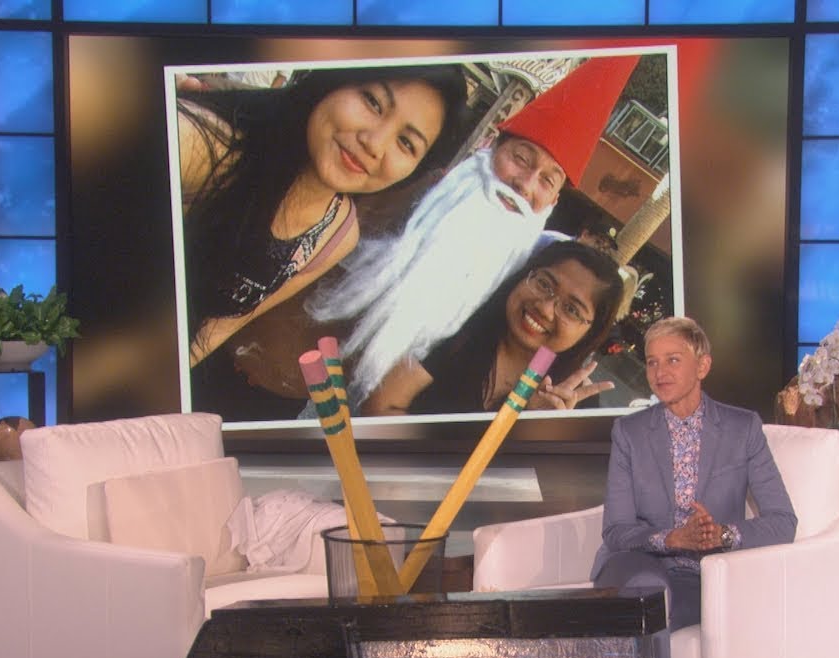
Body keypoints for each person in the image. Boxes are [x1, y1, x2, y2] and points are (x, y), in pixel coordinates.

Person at [309, 55, 640, 405]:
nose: (524, 186)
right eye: (520, 159)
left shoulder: (526, 279)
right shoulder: (397, 185)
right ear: (488, 146)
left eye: (546, 181)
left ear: (553, 201)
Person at [178, 64, 468, 370]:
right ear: (333, 80)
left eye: (406, 143)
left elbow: (216, 329)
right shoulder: (203, 147)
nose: (374, 143)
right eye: (373, 102)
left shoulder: (336, 232)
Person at [591, 316, 796, 658]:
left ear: (702, 366)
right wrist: (671, 539)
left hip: (701, 575)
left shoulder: (742, 428)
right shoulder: (629, 433)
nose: (660, 373)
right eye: (652, 362)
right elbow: (616, 531)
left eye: (673, 360)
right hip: (636, 562)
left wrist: (722, 535)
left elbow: (783, 522)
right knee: (648, 592)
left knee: (656, 605)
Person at [362, 242, 625, 415]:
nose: (545, 308)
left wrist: (535, 430)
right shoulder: (460, 327)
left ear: (590, 333)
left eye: (572, 309)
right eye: (544, 284)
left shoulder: (575, 401)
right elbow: (379, 408)